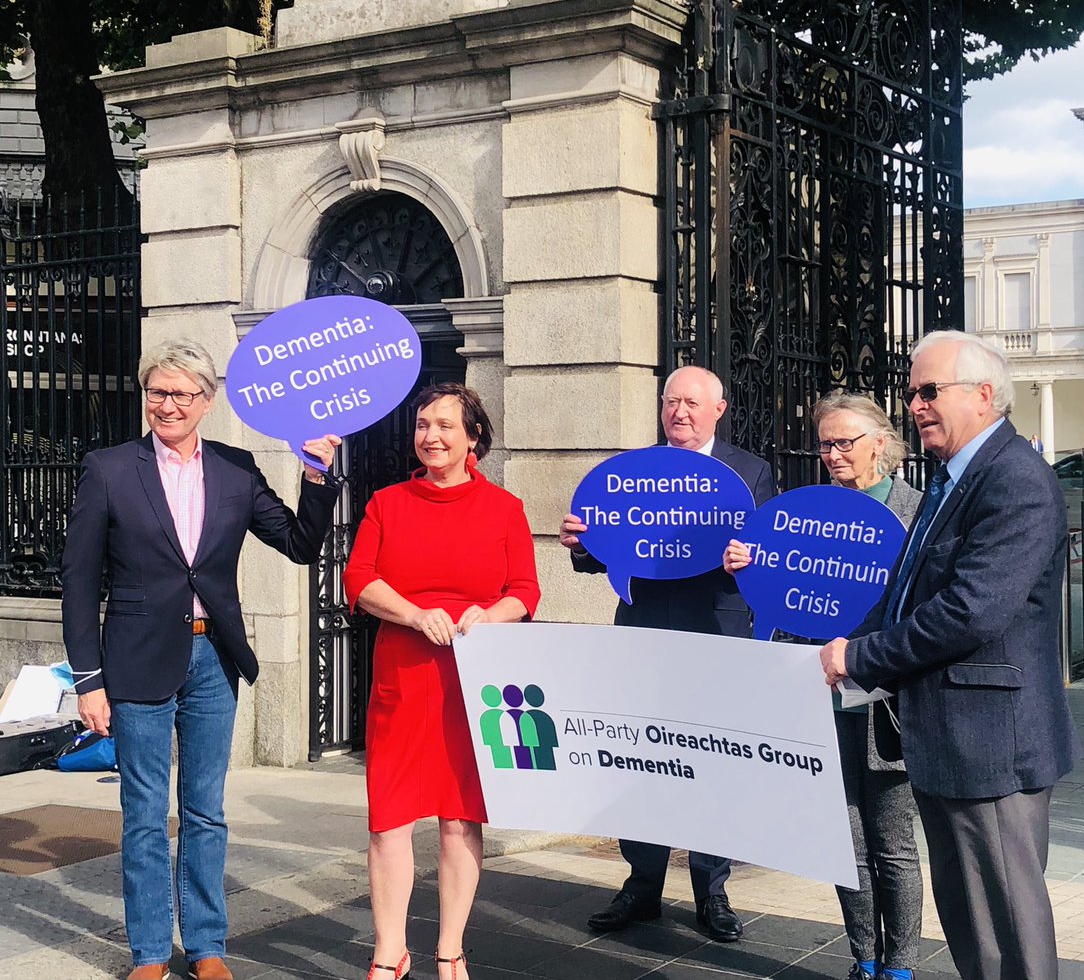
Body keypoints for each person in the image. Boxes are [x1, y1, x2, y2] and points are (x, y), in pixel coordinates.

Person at [61, 340, 341, 980]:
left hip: (213, 658)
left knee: (205, 810)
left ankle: (208, 946)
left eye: (182, 394)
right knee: (142, 814)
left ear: (207, 402)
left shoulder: (236, 469)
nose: (167, 405)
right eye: (157, 392)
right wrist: (88, 680)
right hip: (134, 660)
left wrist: (318, 475)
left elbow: (299, 544)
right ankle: (151, 953)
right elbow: (79, 580)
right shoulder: (108, 468)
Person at [819, 331, 1081, 980]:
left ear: (984, 394)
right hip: (948, 743)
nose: (915, 404)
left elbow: (972, 610)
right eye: (910, 392)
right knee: (973, 925)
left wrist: (862, 657)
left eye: (929, 390)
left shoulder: (1015, 478)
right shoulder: (951, 478)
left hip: (990, 747)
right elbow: (907, 594)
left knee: (1007, 929)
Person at [559, 365, 773, 943]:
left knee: (713, 764)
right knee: (640, 760)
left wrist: (747, 560)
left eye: (691, 403)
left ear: (718, 409)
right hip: (645, 634)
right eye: (670, 402)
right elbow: (607, 551)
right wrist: (583, 544)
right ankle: (642, 884)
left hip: (717, 635)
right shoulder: (635, 474)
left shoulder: (752, 471)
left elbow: (770, 558)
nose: (680, 412)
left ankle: (712, 888)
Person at [343, 382, 540, 980]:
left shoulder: (503, 508)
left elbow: (525, 592)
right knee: (390, 820)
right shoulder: (387, 503)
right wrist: (411, 612)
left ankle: (450, 948)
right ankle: (388, 952)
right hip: (403, 676)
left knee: (459, 818)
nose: (430, 436)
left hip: (473, 681)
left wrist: (489, 613)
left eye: (444, 426)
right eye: (423, 425)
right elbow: (360, 579)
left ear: (473, 436)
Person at [725, 390, 923, 980]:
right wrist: (748, 565)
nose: (833, 454)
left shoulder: (918, 512)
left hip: (890, 697)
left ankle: (902, 966)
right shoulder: (807, 514)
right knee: (846, 839)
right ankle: (864, 956)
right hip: (826, 694)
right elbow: (786, 600)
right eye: (825, 444)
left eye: (845, 443)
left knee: (893, 842)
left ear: (881, 445)